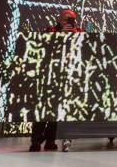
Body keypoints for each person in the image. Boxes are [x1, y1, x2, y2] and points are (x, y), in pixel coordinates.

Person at [29, 9, 83, 152]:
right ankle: (36, 141)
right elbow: (43, 46)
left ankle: (50, 140)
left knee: (56, 113)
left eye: (72, 19)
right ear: (59, 20)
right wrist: (61, 35)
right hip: (48, 77)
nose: (69, 22)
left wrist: (74, 35)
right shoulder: (51, 30)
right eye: (66, 19)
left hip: (66, 77)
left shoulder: (79, 32)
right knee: (42, 111)